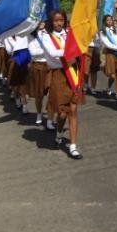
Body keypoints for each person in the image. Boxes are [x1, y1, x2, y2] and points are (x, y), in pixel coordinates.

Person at [42, 9, 85, 160]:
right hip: (59, 75)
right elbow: (54, 53)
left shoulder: (69, 33)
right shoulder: (46, 36)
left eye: (61, 20)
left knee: (73, 110)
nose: (59, 23)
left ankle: (73, 146)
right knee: (61, 113)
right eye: (56, 20)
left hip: (73, 73)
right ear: (51, 22)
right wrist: (74, 49)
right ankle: (59, 132)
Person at [27, 22, 51, 126]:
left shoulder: (49, 34)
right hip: (38, 66)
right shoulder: (30, 36)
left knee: (52, 93)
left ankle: (50, 119)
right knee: (39, 94)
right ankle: (39, 114)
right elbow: (33, 52)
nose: (41, 23)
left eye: (43, 20)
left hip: (50, 65)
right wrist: (47, 50)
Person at [100, 15, 117, 101]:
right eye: (107, 20)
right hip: (110, 53)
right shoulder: (103, 32)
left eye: (111, 19)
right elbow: (108, 44)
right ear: (104, 21)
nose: (109, 21)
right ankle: (108, 87)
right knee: (113, 75)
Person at [5, 35, 31, 114]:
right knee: (15, 84)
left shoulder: (24, 35)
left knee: (24, 85)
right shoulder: (7, 37)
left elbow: (29, 45)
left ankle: (25, 106)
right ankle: (17, 100)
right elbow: (9, 50)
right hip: (15, 61)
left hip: (26, 60)